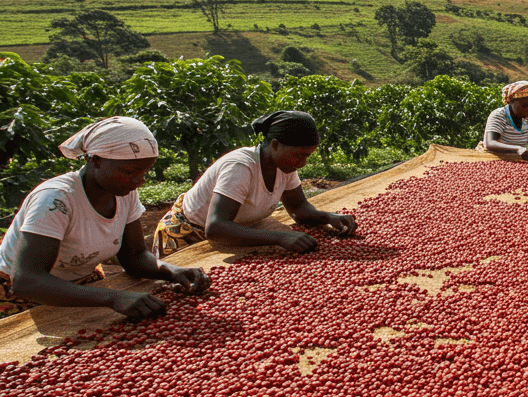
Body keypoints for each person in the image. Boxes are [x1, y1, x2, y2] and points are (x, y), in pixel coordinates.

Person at [0, 117, 210, 317]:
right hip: (21, 293)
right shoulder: (56, 200)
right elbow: (27, 280)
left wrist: (171, 271)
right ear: (97, 160)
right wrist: (112, 297)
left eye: (145, 172)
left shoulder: (124, 193)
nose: (140, 180)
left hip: (80, 283)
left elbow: (134, 256)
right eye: (130, 171)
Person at [152, 111, 357, 256]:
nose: (302, 163)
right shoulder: (241, 167)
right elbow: (216, 228)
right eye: (298, 156)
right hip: (188, 236)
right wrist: (278, 237)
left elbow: (298, 207)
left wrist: (327, 217)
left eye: (307, 157)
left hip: (238, 232)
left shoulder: (284, 167)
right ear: (275, 145)